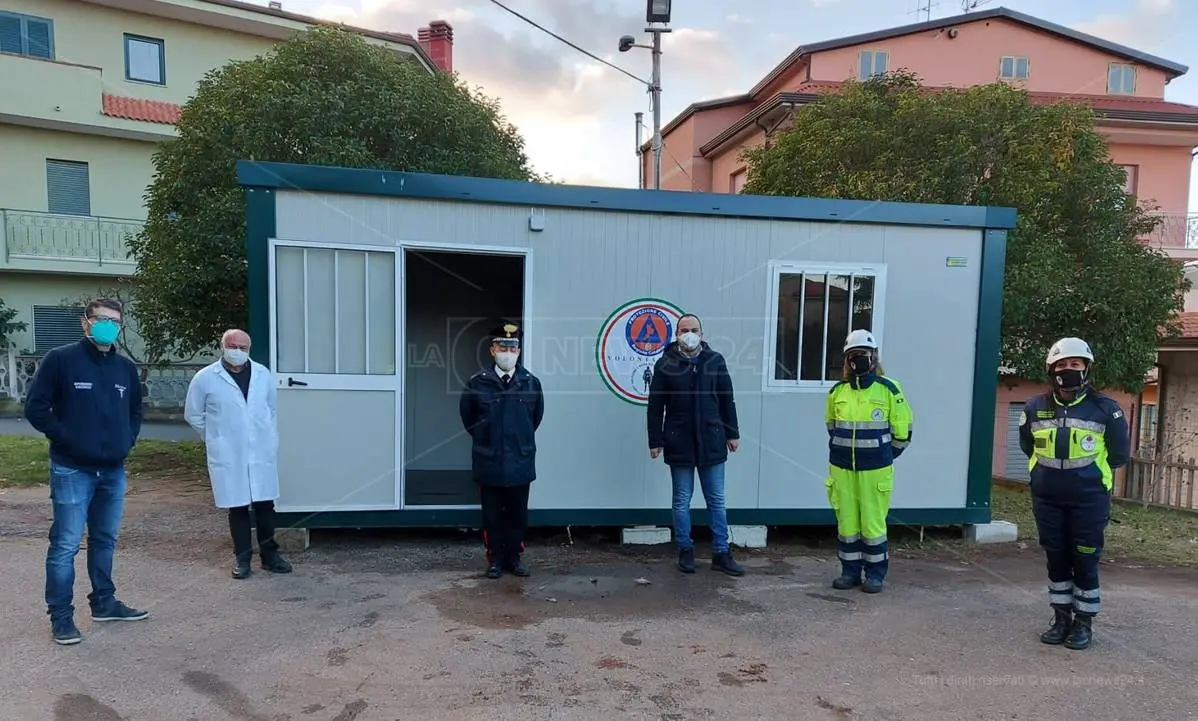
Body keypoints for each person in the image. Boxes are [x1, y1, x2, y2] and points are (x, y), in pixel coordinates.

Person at [23, 298, 149, 645]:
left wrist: (127, 441)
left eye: (115, 322)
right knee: (65, 545)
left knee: (105, 540)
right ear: (86, 322)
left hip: (112, 471)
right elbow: (35, 408)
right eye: (102, 319)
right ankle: (61, 617)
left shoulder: (125, 369)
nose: (108, 326)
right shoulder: (61, 360)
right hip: (72, 469)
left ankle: (104, 603)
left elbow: (136, 410)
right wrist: (69, 438)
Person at [1018, 337, 1129, 651]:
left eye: (1075, 365)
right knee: (1056, 559)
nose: (1069, 370)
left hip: (1089, 500)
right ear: (1051, 370)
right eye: (1062, 365)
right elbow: (1028, 446)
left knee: (1084, 559)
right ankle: (1061, 618)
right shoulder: (1034, 408)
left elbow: (1119, 455)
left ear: (1087, 369)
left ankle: (1083, 624)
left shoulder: (1107, 410)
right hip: (1047, 499)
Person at [184, 329, 292, 580]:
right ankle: (242, 559)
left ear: (249, 350)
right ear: (223, 347)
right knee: (238, 506)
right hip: (229, 452)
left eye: (243, 348)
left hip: (260, 450)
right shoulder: (206, 378)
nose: (238, 352)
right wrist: (216, 437)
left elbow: (271, 409)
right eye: (233, 346)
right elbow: (194, 415)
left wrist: (267, 437)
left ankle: (270, 556)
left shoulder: (263, 374)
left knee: (266, 505)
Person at [646, 313, 744, 577]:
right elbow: (655, 407)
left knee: (716, 500)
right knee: (681, 500)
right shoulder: (665, 364)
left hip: (712, 440)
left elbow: (727, 399)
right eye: (683, 329)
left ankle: (721, 553)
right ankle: (685, 550)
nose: (689, 333)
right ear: (676, 334)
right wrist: (655, 440)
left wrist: (732, 433)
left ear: (702, 333)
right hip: (679, 441)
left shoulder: (715, 360)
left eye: (694, 329)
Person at [824, 329, 913, 594]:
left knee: (873, 524)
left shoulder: (889, 389)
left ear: (873, 356)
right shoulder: (837, 392)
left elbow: (903, 432)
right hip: (841, 468)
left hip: (875, 470)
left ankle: (875, 575)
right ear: (847, 359)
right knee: (847, 523)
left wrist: (883, 455)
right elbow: (831, 426)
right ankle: (849, 572)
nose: (858, 359)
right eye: (853, 354)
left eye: (863, 354)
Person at [459, 322, 545, 579]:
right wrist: (487, 440)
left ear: (519, 351)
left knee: (518, 514)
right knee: (493, 516)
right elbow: (468, 418)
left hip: (520, 459)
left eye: (513, 347)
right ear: (492, 350)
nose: (507, 351)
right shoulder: (478, 383)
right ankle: (495, 559)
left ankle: (515, 558)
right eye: (502, 346)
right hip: (490, 460)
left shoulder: (531, 383)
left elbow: (535, 418)